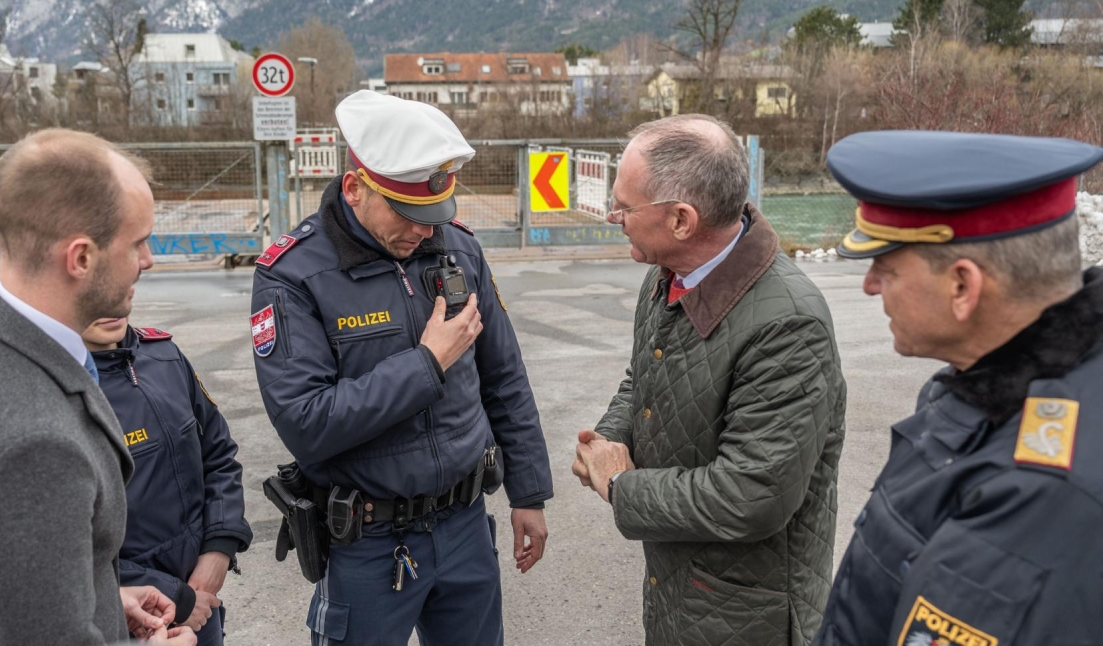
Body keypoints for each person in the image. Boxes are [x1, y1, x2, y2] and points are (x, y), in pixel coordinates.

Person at [250, 90, 553, 646]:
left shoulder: (458, 250)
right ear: (354, 188)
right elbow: (306, 422)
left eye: (434, 214)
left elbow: (504, 377)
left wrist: (528, 494)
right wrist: (427, 363)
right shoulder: (293, 275)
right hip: (368, 542)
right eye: (408, 213)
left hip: (465, 528)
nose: (425, 230)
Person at [0, 129, 194, 645]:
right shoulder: (36, 450)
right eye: (137, 243)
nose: (148, 260)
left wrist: (99, 597)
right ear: (80, 258)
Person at [813, 130, 1103, 645]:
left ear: (963, 286)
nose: (870, 285)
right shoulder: (996, 383)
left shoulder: (1040, 493)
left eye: (886, 267)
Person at [573, 115, 847, 646]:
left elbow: (751, 495)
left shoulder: (788, 324)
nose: (613, 216)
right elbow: (645, 375)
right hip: (682, 592)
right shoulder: (668, 275)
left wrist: (622, 486)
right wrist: (607, 439)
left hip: (749, 617)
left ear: (681, 219)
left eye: (625, 206)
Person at [83, 316, 253, 644]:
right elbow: (60, 546)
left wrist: (219, 547)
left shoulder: (164, 357)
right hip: (130, 619)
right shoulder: (57, 390)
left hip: (201, 599)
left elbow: (218, 455)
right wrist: (175, 595)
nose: (110, 306)